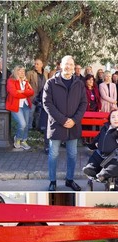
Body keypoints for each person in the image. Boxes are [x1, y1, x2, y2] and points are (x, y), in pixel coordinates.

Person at [43, 55, 87, 191]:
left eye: (71, 64)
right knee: (53, 154)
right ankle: (52, 181)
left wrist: (74, 120)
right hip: (56, 125)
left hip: (73, 125)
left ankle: (69, 180)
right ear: (61, 66)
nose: (68, 67)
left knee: (73, 154)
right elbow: (47, 104)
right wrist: (62, 120)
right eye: (66, 64)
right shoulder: (51, 83)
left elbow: (83, 103)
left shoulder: (79, 84)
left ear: (74, 68)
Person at [83, 109, 118, 181]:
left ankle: (103, 175)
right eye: (113, 117)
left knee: (113, 166)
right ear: (109, 120)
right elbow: (99, 136)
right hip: (100, 154)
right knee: (94, 159)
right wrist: (95, 142)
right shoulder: (105, 128)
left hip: (113, 158)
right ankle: (91, 169)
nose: (116, 119)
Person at [6, 65, 34, 150]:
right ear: (16, 71)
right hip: (15, 105)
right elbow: (14, 93)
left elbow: (31, 92)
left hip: (25, 105)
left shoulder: (25, 81)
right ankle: (17, 139)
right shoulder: (11, 81)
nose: (22, 73)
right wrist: (25, 93)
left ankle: (23, 141)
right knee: (22, 124)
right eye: (20, 71)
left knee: (26, 124)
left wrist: (22, 91)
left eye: (23, 71)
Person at [26, 58, 48, 130]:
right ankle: (29, 127)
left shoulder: (46, 73)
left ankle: (37, 127)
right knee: (31, 113)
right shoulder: (30, 73)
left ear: (41, 65)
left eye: (37, 64)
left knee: (39, 113)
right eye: (35, 64)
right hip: (33, 96)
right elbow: (26, 84)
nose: (35, 65)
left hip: (42, 96)